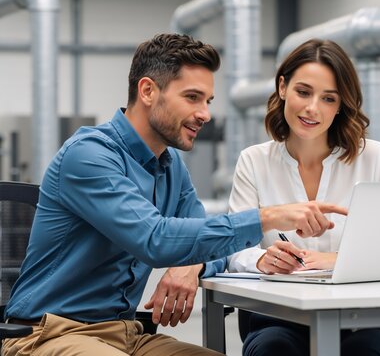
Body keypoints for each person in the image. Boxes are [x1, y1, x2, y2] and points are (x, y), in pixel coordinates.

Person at [2, 34, 347, 356]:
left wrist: (193, 264)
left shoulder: (171, 168)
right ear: (148, 91)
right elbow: (155, 239)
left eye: (208, 101)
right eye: (192, 98)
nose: (205, 114)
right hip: (48, 335)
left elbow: (210, 247)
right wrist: (268, 217)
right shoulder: (90, 155)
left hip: (126, 334)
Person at [227, 39, 380, 355]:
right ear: (283, 87)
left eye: (328, 98)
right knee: (272, 349)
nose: (312, 108)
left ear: (341, 104)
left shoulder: (375, 158)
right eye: (303, 92)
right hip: (277, 318)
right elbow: (234, 248)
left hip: (364, 319)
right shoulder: (254, 161)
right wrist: (260, 258)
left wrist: (340, 261)